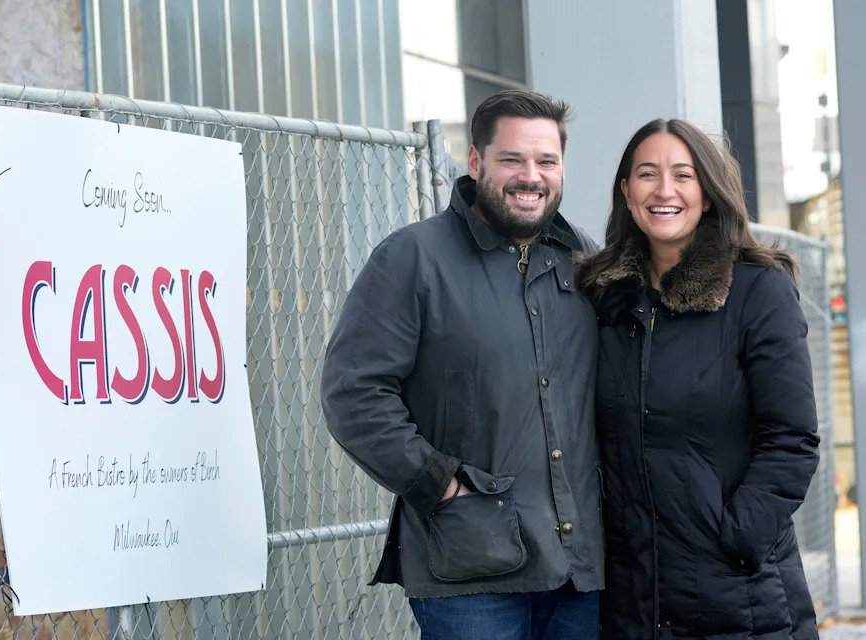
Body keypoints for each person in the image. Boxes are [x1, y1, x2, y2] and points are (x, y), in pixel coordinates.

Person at [321, 90, 604, 639]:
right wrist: (439, 484)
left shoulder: (582, 262)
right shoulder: (413, 259)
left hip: (580, 569)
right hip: (469, 571)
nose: (532, 176)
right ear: (475, 162)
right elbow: (353, 392)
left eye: (546, 161)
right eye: (512, 160)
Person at [577, 118, 820, 638]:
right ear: (626, 190)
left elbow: (792, 441)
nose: (665, 190)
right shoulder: (607, 301)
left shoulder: (758, 292)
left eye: (683, 175)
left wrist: (735, 540)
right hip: (633, 599)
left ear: (707, 194)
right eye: (647, 174)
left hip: (737, 593)